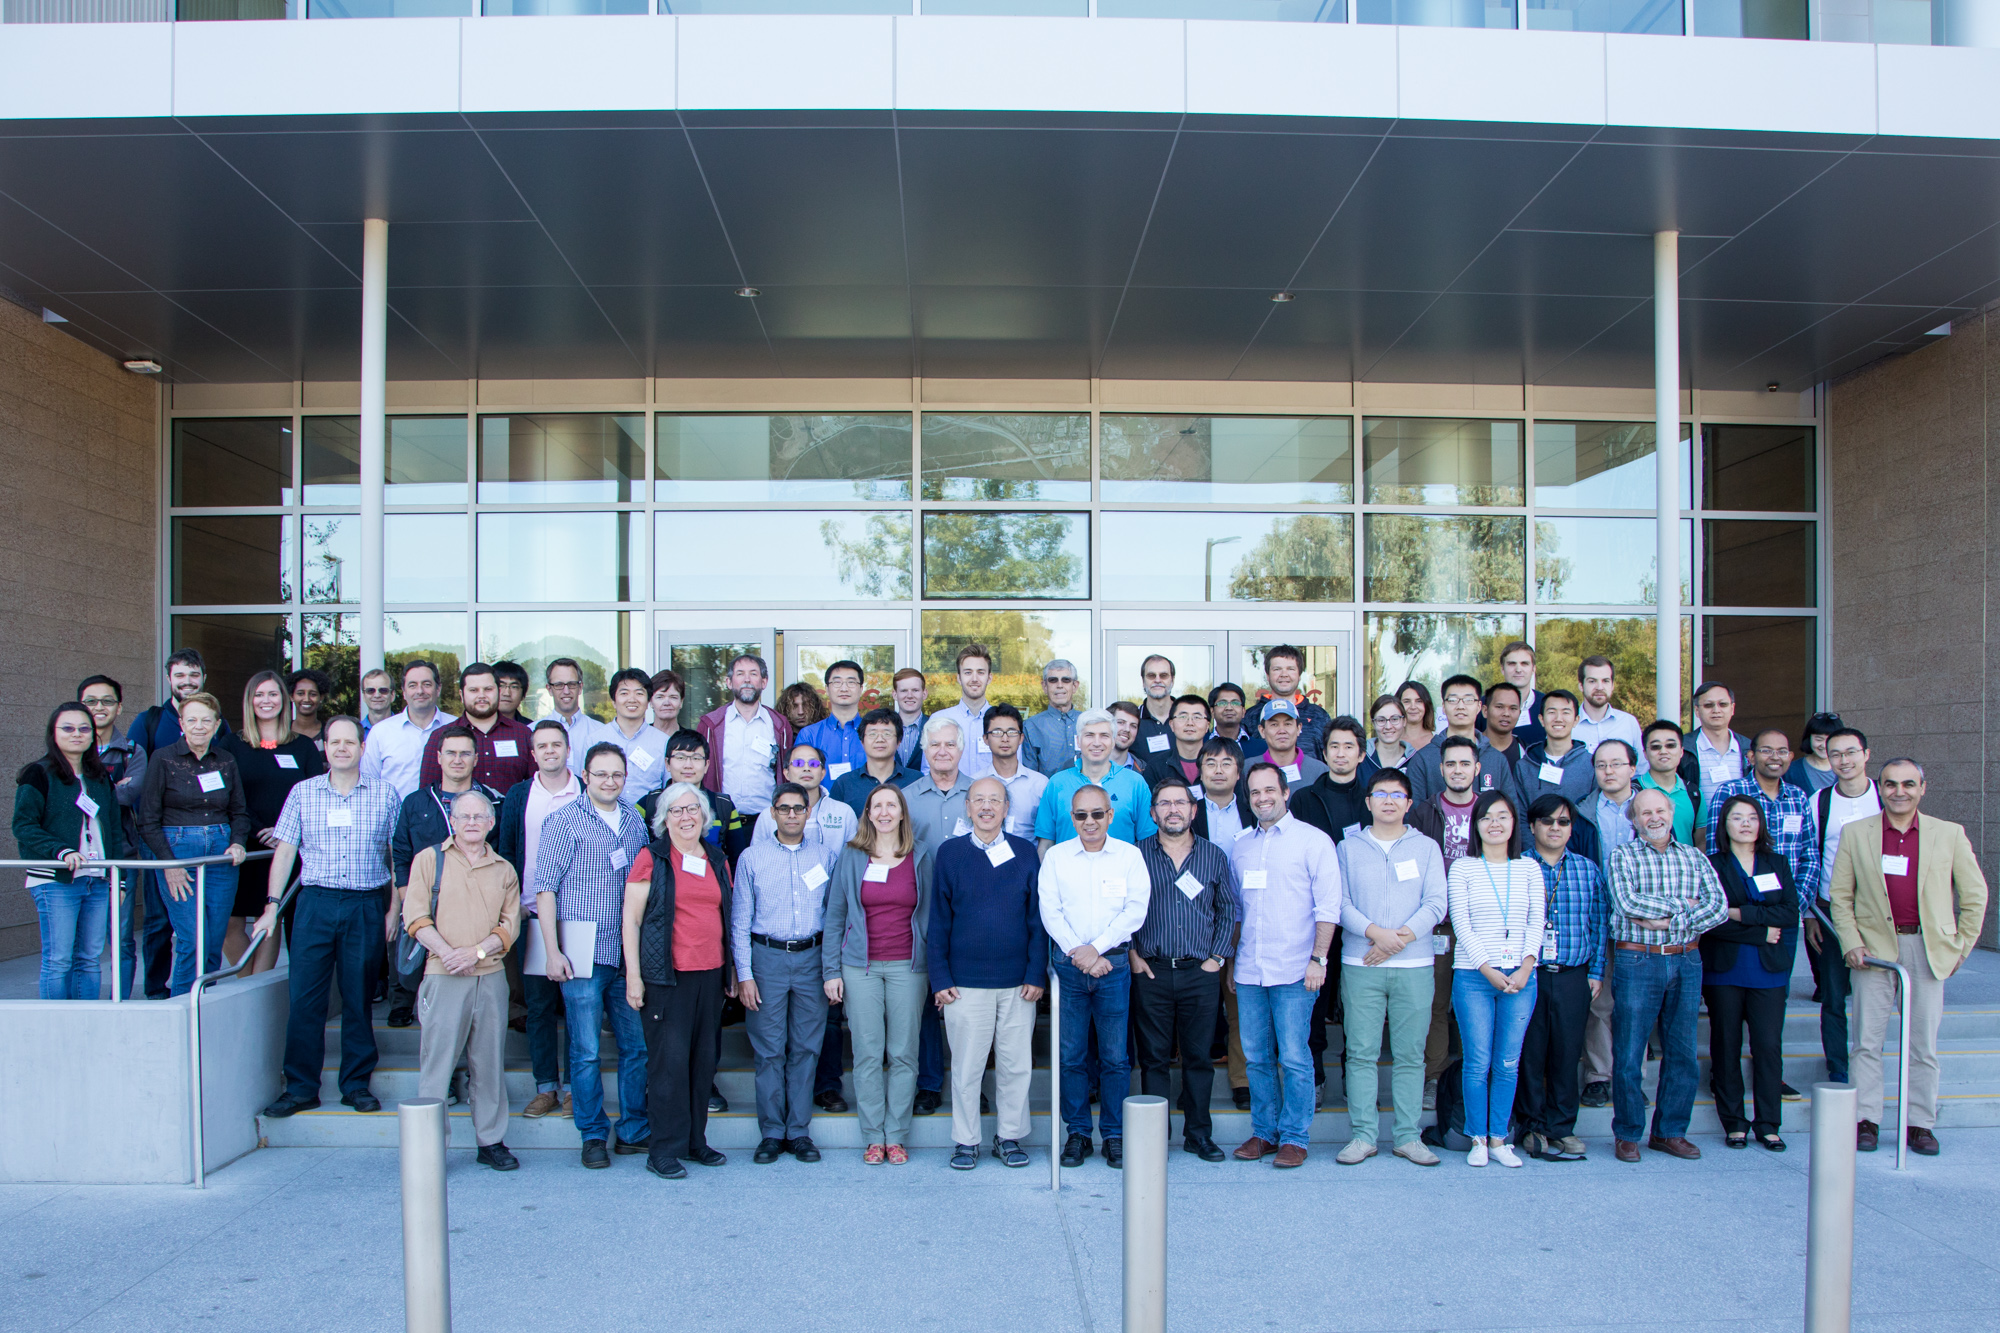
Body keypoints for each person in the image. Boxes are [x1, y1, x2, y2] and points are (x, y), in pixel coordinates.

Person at [1830, 758, 1989, 1157]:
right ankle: (1866, 1119)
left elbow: (1975, 896)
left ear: (1922, 788)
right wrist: (1851, 942)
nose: (1899, 791)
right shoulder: (1857, 833)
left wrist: (1960, 947)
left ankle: (1920, 1124)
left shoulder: (1949, 834)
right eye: (1890, 784)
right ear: (1880, 788)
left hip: (1926, 948)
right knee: (1866, 1042)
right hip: (1873, 951)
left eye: (1908, 784)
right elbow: (1841, 897)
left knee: (1923, 1045)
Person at [256, 715, 402, 1119]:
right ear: (324, 746)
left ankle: (356, 1085)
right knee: (305, 998)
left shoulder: (385, 794)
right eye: (334, 741)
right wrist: (272, 905)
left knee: (358, 997)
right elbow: (286, 851)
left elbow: (397, 856)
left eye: (349, 742)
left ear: (362, 748)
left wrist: (394, 908)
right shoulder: (303, 793)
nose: (341, 748)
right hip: (315, 904)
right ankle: (301, 1088)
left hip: (365, 905)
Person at [533, 741, 653, 1168]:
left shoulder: (635, 821)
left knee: (637, 1047)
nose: (609, 781)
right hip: (581, 951)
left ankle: (633, 1129)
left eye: (617, 774)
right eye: (601, 773)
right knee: (585, 1051)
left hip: (628, 953)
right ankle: (593, 1134)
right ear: (585, 776)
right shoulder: (563, 821)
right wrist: (552, 952)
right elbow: (545, 889)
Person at [930, 776, 1049, 1169]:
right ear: (967, 807)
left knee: (1016, 1066)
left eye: (994, 800)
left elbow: (1037, 920)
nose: (986, 807)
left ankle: (1008, 1137)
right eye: (978, 799)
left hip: (1018, 983)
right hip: (964, 984)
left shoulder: (1025, 853)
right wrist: (940, 978)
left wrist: (1036, 973)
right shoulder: (949, 854)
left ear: (1006, 808)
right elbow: (938, 921)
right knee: (967, 1068)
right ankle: (966, 1141)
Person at [1604, 787, 1729, 1162]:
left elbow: (1718, 908)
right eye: (1645, 812)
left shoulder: (1694, 857)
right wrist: (1686, 907)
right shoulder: (1622, 856)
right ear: (1634, 819)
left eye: (1660, 810)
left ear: (1672, 814)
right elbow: (1627, 903)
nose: (1654, 818)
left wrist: (1666, 920)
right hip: (1637, 960)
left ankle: (1669, 1132)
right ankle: (1628, 1133)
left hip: (1686, 960)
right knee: (1629, 1052)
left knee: (1683, 1053)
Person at [402, 789, 522, 1171]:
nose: (471, 822)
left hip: (490, 977)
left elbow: (510, 926)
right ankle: (429, 1148)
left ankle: (491, 1141)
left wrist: (476, 953)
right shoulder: (429, 860)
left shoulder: (504, 869)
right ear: (452, 821)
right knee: (437, 1065)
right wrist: (449, 954)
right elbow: (415, 917)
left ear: (491, 822)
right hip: (443, 975)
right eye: (464, 816)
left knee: (488, 1063)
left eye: (479, 816)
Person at [1228, 763, 1340, 1168]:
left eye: (1269, 790)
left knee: (1294, 1057)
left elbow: (1328, 908)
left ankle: (1294, 1136)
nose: (1262, 798)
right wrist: (1233, 962)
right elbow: (1237, 910)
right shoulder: (1241, 846)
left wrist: (1318, 959)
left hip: (1296, 969)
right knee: (1256, 1057)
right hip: (1250, 969)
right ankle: (1264, 1132)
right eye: (1255, 792)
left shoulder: (1313, 841)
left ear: (1286, 792)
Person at [1333, 769, 1446, 1167]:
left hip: (1414, 964)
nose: (1388, 801)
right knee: (1361, 1053)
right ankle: (1363, 1136)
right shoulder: (1348, 848)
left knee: (1410, 1055)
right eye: (1380, 794)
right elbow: (1340, 903)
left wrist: (1398, 939)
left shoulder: (1426, 847)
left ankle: (1407, 1137)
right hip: (1360, 962)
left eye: (1397, 794)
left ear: (1409, 803)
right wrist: (1377, 934)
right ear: (1368, 802)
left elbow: (1436, 903)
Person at [623, 781, 735, 1179]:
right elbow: (631, 920)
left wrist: (730, 972)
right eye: (677, 810)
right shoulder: (652, 858)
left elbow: (725, 916)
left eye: (693, 809)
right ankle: (663, 1150)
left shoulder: (716, 858)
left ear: (704, 816)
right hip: (666, 979)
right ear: (664, 819)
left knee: (703, 1063)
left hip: (710, 974)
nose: (686, 817)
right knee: (668, 1066)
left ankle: (694, 1142)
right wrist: (634, 977)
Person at [1041, 784, 1152, 1169]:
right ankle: (1077, 1134)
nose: (1089, 821)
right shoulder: (1056, 857)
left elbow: (1135, 910)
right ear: (1072, 818)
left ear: (1110, 815)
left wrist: (1097, 949)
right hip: (1070, 969)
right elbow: (1050, 911)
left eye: (1097, 814)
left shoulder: (1129, 856)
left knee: (1115, 1058)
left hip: (1113, 967)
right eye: (1081, 815)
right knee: (1071, 1056)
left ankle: (1114, 1135)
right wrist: (1081, 953)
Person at [824, 784, 934, 1165]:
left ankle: (897, 1135)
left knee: (904, 1053)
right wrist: (830, 971)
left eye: (892, 805)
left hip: (909, 967)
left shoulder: (921, 856)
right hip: (860, 968)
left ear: (902, 812)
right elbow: (835, 916)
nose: (884, 812)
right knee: (867, 1053)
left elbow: (932, 915)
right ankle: (873, 1136)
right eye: (877, 806)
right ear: (868, 814)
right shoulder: (852, 856)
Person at [1127, 779, 1236, 1162]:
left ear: (1193, 810)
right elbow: (1122, 907)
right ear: (1153, 812)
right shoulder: (1135, 855)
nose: (1173, 809)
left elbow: (1228, 909)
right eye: (1164, 803)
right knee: (1153, 1060)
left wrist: (1216, 958)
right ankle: (1155, 1138)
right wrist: (1132, 954)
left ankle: (1198, 1135)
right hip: (1150, 972)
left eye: (1180, 803)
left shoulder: (1213, 855)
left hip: (1199, 974)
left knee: (1198, 1059)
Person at [733, 782, 834, 1165]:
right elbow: (740, 921)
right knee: (769, 1050)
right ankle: (772, 1133)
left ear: (808, 813)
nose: (792, 814)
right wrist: (745, 974)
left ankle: (799, 1131)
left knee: (806, 1048)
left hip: (812, 958)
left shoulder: (826, 856)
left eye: (799, 808)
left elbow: (835, 916)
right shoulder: (752, 858)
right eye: (784, 808)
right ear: (773, 813)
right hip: (767, 959)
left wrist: (832, 968)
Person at [1447, 792, 1543, 1168]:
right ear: (1476, 825)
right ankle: (1477, 1138)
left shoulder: (1529, 868)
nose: (1495, 824)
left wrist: (1525, 967)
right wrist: (1488, 969)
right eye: (1486, 817)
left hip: (1520, 977)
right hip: (1474, 976)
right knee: (1477, 1061)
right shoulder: (1463, 867)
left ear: (1514, 824)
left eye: (1502, 816)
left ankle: (1500, 1138)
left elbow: (1536, 921)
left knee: (1507, 1062)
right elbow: (1462, 923)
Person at [494, 718, 581, 1119]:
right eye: (542, 746)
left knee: (578, 1006)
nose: (549, 751)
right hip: (530, 913)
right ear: (533, 753)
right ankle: (546, 1087)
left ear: (568, 750)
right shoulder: (518, 795)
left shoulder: (585, 791)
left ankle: (575, 1089)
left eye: (556, 745)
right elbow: (507, 852)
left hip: (579, 917)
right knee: (539, 1007)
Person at [1702, 794, 1799, 1151]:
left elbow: (1789, 912)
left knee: (1768, 1047)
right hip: (1724, 970)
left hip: (1768, 970)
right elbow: (1709, 918)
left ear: (1761, 824)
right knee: (1726, 1045)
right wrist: (1759, 930)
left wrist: (1740, 913)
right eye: (1737, 817)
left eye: (1752, 817)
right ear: (1724, 825)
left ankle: (1768, 1124)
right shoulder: (1711, 864)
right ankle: (1734, 1123)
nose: (1745, 823)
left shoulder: (1777, 862)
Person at [1514, 794, 1607, 1163]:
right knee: (1530, 1054)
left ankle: (1563, 1127)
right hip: (1530, 974)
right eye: (1548, 821)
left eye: (1563, 822)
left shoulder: (1587, 870)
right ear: (1533, 826)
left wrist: (1596, 972)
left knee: (1567, 1054)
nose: (1555, 828)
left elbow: (1598, 925)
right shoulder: (1517, 867)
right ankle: (1532, 1125)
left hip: (1573, 974)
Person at [137, 691, 250, 995]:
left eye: (206, 720)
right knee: (193, 938)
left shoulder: (226, 760)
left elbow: (239, 812)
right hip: (178, 851)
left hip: (221, 854)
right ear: (182, 724)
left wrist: (238, 842)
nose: (199, 726)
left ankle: (204, 1005)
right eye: (192, 720)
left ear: (217, 725)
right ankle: (182, 1007)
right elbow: (147, 819)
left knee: (213, 940)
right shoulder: (163, 759)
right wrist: (169, 864)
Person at [388, 727, 501, 1029]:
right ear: (438, 757)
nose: (457, 759)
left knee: (461, 966)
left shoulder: (492, 802)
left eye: (465, 753)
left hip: (473, 905)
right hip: (423, 898)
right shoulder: (416, 802)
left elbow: (501, 854)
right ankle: (402, 1002)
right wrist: (406, 896)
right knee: (410, 959)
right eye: (450, 753)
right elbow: (401, 851)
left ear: (476, 758)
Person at [13, 703, 125, 999]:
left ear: (92, 735)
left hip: (97, 879)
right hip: (56, 880)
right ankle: (55, 1025)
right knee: (59, 960)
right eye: (68, 728)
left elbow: (115, 830)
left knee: (90, 959)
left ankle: (87, 1021)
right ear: (53, 732)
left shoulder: (100, 777)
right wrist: (61, 851)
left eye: (84, 728)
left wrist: (119, 879)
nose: (77, 734)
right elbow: (23, 825)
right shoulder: (38, 773)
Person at [221, 670, 324, 972]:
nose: (266, 701)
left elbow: (314, 796)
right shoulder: (231, 745)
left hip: (286, 849)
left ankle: (259, 983)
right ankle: (247, 981)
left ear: (284, 699)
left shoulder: (302, 747)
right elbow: (228, 796)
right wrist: (257, 830)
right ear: (249, 700)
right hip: (244, 847)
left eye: (273, 694)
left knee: (271, 915)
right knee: (229, 922)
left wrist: (285, 832)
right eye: (259, 694)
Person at [899, 719, 972, 1117]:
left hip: (971, 914)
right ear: (924, 751)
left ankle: (970, 1084)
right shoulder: (906, 798)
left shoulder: (979, 793)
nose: (942, 751)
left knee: (970, 1005)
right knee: (925, 1003)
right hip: (920, 912)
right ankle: (928, 1083)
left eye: (949, 744)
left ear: (961, 749)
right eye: (934, 745)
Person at [1408, 734, 1484, 1108]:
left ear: (1477, 769)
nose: (1457, 770)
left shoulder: (1491, 811)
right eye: (1451, 764)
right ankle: (1434, 1078)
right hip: (1437, 925)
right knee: (1435, 1005)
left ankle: (1476, 1078)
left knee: (1477, 1006)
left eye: (1464, 763)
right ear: (1441, 769)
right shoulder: (1424, 813)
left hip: (1481, 924)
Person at [1804, 726, 1877, 1084]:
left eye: (1851, 752)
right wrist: (1810, 914)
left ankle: (1868, 1060)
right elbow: (1810, 857)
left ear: (1866, 755)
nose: (1843, 760)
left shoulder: (1884, 795)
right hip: (1831, 910)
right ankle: (1838, 1067)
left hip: (1878, 912)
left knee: (1872, 992)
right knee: (1834, 995)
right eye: (1835, 754)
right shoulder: (1819, 802)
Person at [78, 675, 152, 998]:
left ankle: (119, 1004)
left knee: (120, 936)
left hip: (119, 855)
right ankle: (81, 1004)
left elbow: (129, 794)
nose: (99, 707)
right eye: (91, 701)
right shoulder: (68, 746)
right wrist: (111, 788)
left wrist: (86, 791)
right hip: (76, 856)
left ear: (119, 707)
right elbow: (63, 796)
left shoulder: (132, 751)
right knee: (80, 939)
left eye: (107, 701)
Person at [1578, 738, 1640, 1107]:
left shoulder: (1651, 808)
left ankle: (1631, 1076)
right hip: (1598, 918)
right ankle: (1599, 1075)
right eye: (1601, 765)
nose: (1608, 771)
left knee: (1636, 1003)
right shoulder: (1582, 813)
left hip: (1642, 922)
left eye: (1616, 763)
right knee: (1599, 1003)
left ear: (1633, 768)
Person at [1704, 730, 1820, 893]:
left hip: (1791, 900)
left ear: (1790, 757)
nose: (1775, 757)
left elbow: (1810, 855)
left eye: (1782, 751)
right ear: (1751, 757)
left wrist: (1796, 901)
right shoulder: (1730, 792)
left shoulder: (1798, 797)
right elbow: (1716, 851)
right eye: (1766, 751)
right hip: (1741, 900)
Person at [1036, 709, 1157, 850]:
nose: (1097, 743)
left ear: (1113, 741)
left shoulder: (1135, 783)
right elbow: (1046, 843)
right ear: (1078, 741)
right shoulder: (1057, 783)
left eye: (1104, 736)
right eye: (1089, 735)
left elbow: (1147, 841)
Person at [696, 653, 794, 817]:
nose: (747, 680)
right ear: (729, 682)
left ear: (764, 682)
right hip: (720, 817)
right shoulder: (710, 725)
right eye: (740, 674)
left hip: (766, 817)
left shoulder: (780, 725)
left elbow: (787, 774)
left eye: (753, 674)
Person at [418, 663, 533, 795]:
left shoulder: (522, 734)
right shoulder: (441, 736)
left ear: (498, 691)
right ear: (461, 695)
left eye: (488, 689)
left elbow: (537, 787)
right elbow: (427, 795)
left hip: (510, 809)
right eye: (473, 690)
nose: (481, 696)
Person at [1409, 676, 1517, 806]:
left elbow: (1511, 810)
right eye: (1453, 700)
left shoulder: (1497, 759)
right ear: (1443, 707)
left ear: (1479, 706)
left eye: (1468, 700)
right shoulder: (1423, 759)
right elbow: (1414, 812)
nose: (1460, 706)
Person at [360, 659, 458, 801]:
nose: (420, 691)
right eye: (412, 685)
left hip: (448, 812)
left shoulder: (456, 726)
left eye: (427, 684)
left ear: (438, 689)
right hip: (396, 814)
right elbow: (369, 785)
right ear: (404, 692)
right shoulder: (380, 732)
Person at [125, 648, 226, 756]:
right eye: (180, 675)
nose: (187, 681)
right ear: (169, 679)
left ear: (204, 678)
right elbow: (132, 764)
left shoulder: (218, 722)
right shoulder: (147, 721)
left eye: (194, 675)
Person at [756, 744, 858, 850]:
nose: (806, 768)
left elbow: (854, 857)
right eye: (798, 763)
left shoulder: (844, 813)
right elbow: (756, 856)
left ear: (823, 773)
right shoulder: (768, 816)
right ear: (786, 773)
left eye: (813, 764)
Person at [591, 668, 671, 802]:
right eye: (624, 693)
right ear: (613, 701)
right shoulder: (595, 739)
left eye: (639, 693)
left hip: (650, 815)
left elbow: (670, 790)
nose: (632, 699)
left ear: (648, 702)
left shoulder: (664, 742)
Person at [1244, 645, 1332, 762]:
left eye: (1290, 669)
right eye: (1277, 669)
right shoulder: (1251, 717)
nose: (1284, 674)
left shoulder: (1319, 716)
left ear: (1299, 675)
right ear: (1267, 676)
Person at [1514, 689, 1593, 814]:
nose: (1558, 719)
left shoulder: (1590, 763)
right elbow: (1521, 814)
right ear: (1541, 719)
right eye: (1552, 712)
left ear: (1576, 720)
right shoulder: (1524, 766)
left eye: (1565, 712)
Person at [926, 645, 997, 781]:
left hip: (991, 794)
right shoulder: (939, 719)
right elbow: (927, 770)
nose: (974, 679)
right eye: (968, 672)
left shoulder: (1002, 722)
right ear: (959, 678)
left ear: (989, 678)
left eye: (980, 672)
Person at [982, 704, 1047, 842]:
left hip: (1028, 854)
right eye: (997, 732)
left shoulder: (1040, 784)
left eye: (1011, 732)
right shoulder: (975, 783)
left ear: (1021, 738)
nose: (1005, 739)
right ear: (986, 739)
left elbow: (1046, 836)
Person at [797, 659, 869, 780]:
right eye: (837, 682)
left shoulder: (874, 734)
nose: (844, 688)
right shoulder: (809, 735)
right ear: (827, 689)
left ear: (861, 688)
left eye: (851, 682)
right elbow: (799, 777)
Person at [827, 708, 907, 817]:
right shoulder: (844, 784)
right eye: (872, 734)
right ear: (862, 742)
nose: (880, 739)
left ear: (899, 741)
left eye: (887, 734)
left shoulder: (916, 780)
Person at [1690, 680, 1753, 808]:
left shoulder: (1749, 748)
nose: (1716, 710)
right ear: (1697, 710)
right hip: (1699, 821)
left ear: (1732, 708)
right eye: (1708, 705)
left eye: (1722, 704)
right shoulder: (1684, 748)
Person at [1638, 719, 1699, 845]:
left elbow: (1701, 840)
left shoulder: (1694, 793)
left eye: (1670, 745)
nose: (1663, 751)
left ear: (1681, 751)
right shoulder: (1633, 791)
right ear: (1645, 754)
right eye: (1656, 747)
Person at [1572, 656, 1643, 756]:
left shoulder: (1628, 723)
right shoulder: (1568, 727)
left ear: (1612, 685)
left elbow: (1642, 764)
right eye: (1592, 681)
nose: (1599, 687)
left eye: (1605, 681)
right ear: (1581, 686)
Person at [1024, 659, 1083, 776]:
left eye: (1066, 680)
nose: (1059, 685)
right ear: (1045, 686)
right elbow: (1030, 777)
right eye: (1053, 680)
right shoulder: (1031, 726)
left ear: (1075, 686)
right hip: (1047, 788)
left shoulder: (1089, 723)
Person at [1142, 694, 1212, 789]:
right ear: (1171, 725)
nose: (1190, 723)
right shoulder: (1155, 767)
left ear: (1207, 725)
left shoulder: (1220, 766)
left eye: (1197, 717)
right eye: (1183, 717)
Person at [1483, 640, 1546, 747]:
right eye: (1512, 664)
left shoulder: (1546, 705)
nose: (1518, 669)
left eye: (1524, 664)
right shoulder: (1484, 705)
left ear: (1533, 669)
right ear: (1502, 669)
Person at [1255, 698, 1328, 789]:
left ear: (1299, 728)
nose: (1282, 731)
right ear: (1262, 731)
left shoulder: (1320, 771)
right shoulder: (1247, 769)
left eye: (1288, 724)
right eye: (1274, 724)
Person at [1191, 738, 1253, 846]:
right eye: (1211, 764)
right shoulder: (1189, 813)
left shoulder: (1253, 813)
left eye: (1226, 764)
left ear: (1238, 773)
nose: (1218, 771)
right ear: (1201, 774)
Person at [543, 657, 602, 754]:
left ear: (580, 687)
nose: (566, 691)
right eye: (559, 685)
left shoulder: (600, 731)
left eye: (572, 684)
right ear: (549, 689)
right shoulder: (532, 732)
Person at [1786, 711, 1844, 794]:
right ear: (1808, 738)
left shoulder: (1847, 768)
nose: (1824, 745)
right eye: (1819, 739)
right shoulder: (1791, 771)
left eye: (1829, 740)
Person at [1479, 681, 1529, 774]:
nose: (1506, 713)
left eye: (1513, 708)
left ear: (1519, 713)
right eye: (1499, 707)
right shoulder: (1469, 749)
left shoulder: (1528, 754)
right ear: (1485, 711)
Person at [1209, 683, 1268, 761]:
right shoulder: (1201, 745)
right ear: (1212, 712)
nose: (1229, 708)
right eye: (1222, 703)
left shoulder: (1262, 748)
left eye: (1235, 703)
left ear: (1243, 711)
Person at [1132, 653, 1178, 752]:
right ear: (1143, 681)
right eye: (1151, 676)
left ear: (1172, 680)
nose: (1157, 680)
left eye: (1163, 675)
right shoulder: (1132, 720)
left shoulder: (1187, 719)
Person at [890, 667, 929, 771]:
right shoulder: (884, 729)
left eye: (915, 690)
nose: (909, 696)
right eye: (904, 691)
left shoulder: (934, 728)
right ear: (895, 694)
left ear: (924, 694)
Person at [287, 668, 335, 747]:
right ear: (291, 696)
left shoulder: (329, 732)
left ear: (321, 697)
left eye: (313, 694)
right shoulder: (282, 731)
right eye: (300, 693)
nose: (306, 699)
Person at [1365, 694, 1412, 772]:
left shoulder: (1415, 760)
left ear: (1404, 721)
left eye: (1394, 719)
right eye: (1381, 720)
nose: (1388, 726)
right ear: (1373, 723)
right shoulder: (1360, 757)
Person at [1396, 681, 1436, 752]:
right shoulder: (1391, 741)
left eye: (1419, 701)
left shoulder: (1438, 741)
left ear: (1426, 705)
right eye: (1407, 701)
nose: (1413, 707)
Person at [647, 668, 686, 739]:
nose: (667, 703)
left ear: (681, 702)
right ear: (651, 702)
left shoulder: (691, 741)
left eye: (673, 697)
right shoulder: (640, 739)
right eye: (660, 697)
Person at [1108, 701, 1146, 772]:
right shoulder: (1087, 765)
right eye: (1121, 722)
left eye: (1133, 726)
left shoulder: (1144, 771)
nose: (1127, 729)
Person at [358, 668, 396, 734]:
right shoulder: (356, 732)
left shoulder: (406, 730)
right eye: (370, 690)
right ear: (364, 696)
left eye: (383, 690)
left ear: (392, 695)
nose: (377, 695)